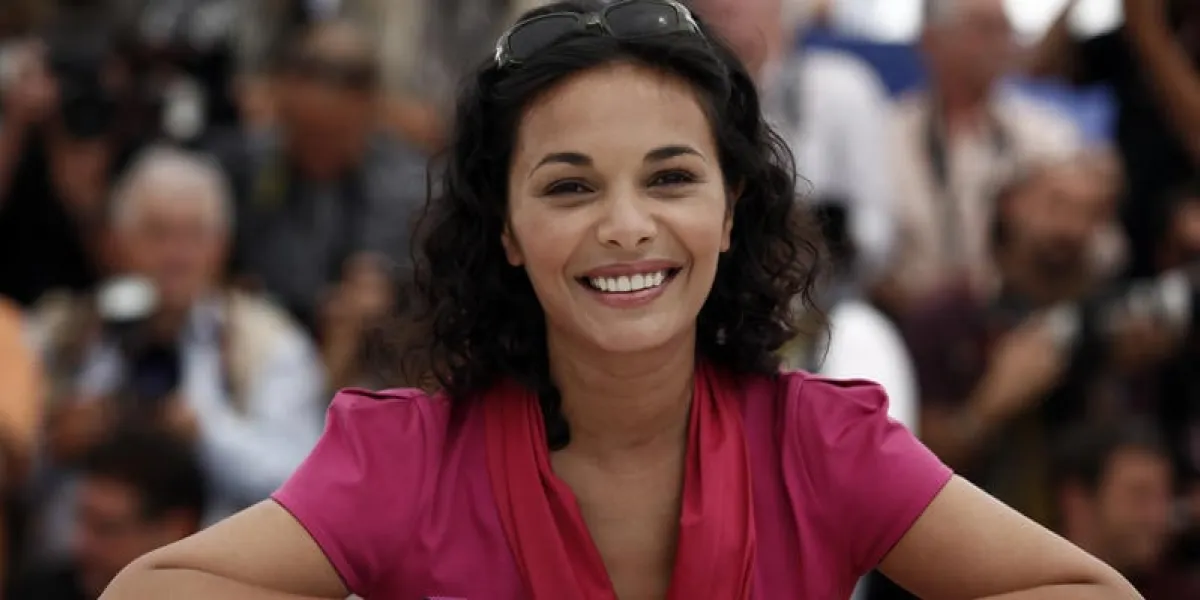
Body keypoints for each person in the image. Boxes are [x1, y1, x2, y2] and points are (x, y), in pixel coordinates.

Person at [101, 1, 1140, 598]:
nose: (628, 224)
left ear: (732, 213)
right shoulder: (409, 458)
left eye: (672, 177)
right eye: (569, 186)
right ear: (504, 232)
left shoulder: (821, 443)